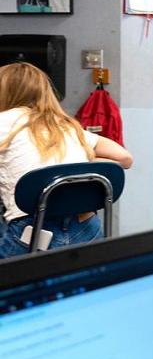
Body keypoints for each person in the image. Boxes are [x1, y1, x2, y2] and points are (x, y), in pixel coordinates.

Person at [0, 62, 133, 259]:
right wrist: (77, 161)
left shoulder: (3, 120)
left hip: (31, 235)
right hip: (87, 230)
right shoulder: (65, 125)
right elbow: (125, 158)